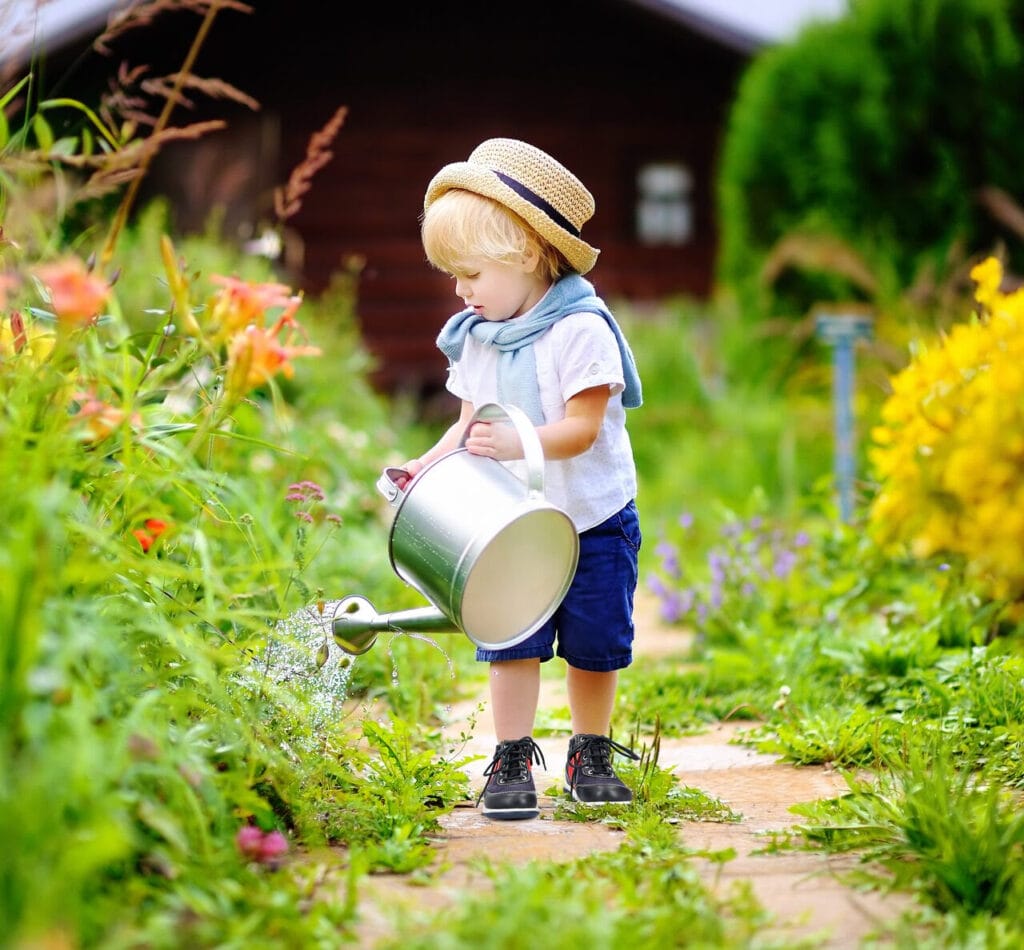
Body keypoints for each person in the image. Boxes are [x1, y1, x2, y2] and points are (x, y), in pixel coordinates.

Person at [400, 138, 643, 821]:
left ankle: (590, 749)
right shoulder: (477, 337)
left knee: (595, 645)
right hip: (513, 527)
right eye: (452, 274)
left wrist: (520, 440)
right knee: (512, 641)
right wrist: (426, 465)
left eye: (470, 272)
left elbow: (583, 429)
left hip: (591, 517)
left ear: (529, 254)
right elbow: (468, 423)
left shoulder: (580, 330)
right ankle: (511, 756)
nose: (459, 290)